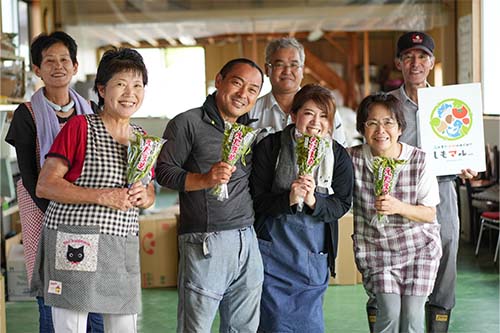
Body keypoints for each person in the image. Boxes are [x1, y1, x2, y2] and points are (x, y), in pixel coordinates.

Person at [32, 47, 155, 332]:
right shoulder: (80, 127)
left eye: (137, 85)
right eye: (121, 84)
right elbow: (45, 185)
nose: (130, 93)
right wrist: (102, 195)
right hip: (77, 244)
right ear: (101, 89)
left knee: (124, 326)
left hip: (120, 245)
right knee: (71, 326)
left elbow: (148, 193)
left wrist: (145, 197)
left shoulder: (142, 139)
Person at [155, 58, 265, 333]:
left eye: (253, 89)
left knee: (244, 328)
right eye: (237, 83)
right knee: (197, 328)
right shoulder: (186, 123)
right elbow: (164, 173)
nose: (243, 94)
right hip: (205, 240)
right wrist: (205, 179)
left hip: (247, 239)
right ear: (219, 81)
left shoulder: (248, 130)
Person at [5, 31, 103, 333]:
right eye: (49, 61)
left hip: (87, 211)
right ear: (37, 70)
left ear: (74, 66)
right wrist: (59, 211)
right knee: (53, 290)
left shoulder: (91, 110)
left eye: (64, 60)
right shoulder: (26, 114)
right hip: (43, 210)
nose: (57, 66)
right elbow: (30, 174)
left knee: (90, 289)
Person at [389, 31, 477, 333]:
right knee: (397, 266)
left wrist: (467, 165)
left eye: (422, 56)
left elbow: (462, 148)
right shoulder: (387, 106)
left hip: (442, 191)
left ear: (431, 62)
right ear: (398, 62)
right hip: (400, 195)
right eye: (409, 56)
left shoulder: (450, 103)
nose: (416, 63)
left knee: (445, 260)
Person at [250, 83, 353, 332]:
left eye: (324, 115)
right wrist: (289, 199)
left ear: (330, 122)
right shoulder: (270, 147)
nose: (315, 122)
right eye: (308, 113)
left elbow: (342, 203)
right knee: (272, 321)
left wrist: (314, 202)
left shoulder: (337, 155)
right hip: (273, 251)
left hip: (313, 252)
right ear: (294, 115)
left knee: (309, 322)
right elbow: (257, 198)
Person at [349, 93, 442, 333]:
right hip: (376, 248)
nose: (381, 130)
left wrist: (398, 207)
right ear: (363, 128)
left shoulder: (419, 160)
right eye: (372, 123)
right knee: (389, 311)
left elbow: (430, 214)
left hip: (419, 248)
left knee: (412, 316)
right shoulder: (352, 159)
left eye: (388, 122)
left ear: (400, 127)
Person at [248, 37, 347, 146]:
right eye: (279, 65)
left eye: (294, 65)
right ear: (267, 69)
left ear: (303, 70)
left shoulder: (325, 109)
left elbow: (341, 150)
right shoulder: (251, 111)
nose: (287, 71)